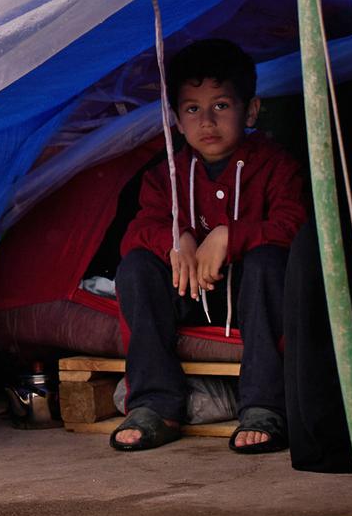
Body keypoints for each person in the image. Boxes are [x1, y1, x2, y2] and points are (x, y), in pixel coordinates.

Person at [110, 38, 306, 453]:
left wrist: (232, 235)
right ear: (176, 121)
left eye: (221, 106)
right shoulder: (167, 174)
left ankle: (264, 405)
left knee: (270, 260)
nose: (207, 122)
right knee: (137, 267)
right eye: (193, 109)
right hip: (190, 297)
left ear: (250, 110)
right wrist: (175, 238)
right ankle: (155, 403)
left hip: (254, 298)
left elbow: (296, 224)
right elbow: (136, 231)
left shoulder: (276, 164)